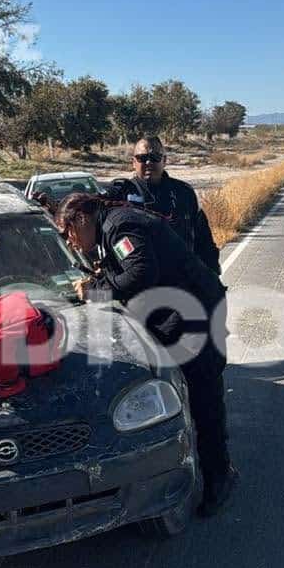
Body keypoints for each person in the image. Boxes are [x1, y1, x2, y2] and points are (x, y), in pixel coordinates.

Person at [55, 192, 237, 516]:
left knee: (203, 397)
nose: (71, 243)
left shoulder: (120, 226)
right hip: (182, 314)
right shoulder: (113, 225)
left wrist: (97, 289)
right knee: (196, 396)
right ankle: (217, 467)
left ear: (82, 218)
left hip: (196, 316)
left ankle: (219, 479)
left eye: (69, 234)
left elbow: (140, 273)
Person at [103, 137, 221, 274]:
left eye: (155, 157)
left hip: (181, 281)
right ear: (133, 162)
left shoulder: (184, 193)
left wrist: (212, 277)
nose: (148, 162)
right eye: (142, 158)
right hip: (139, 282)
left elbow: (203, 240)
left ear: (164, 161)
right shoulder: (120, 194)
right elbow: (109, 242)